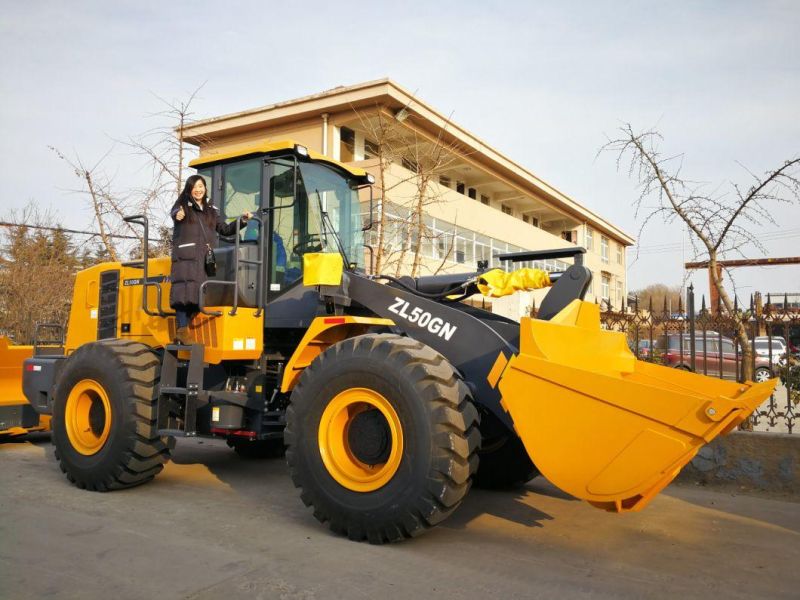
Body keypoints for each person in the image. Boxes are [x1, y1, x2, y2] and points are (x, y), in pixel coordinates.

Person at [169, 175, 252, 344]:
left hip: (204, 257)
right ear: (189, 188)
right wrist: (178, 214)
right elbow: (175, 213)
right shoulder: (183, 205)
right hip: (186, 257)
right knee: (183, 293)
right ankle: (182, 330)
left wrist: (242, 221)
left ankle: (183, 330)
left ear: (205, 188)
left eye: (201, 186)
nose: (198, 189)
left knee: (198, 295)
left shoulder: (212, 210)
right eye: (194, 186)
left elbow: (225, 229)